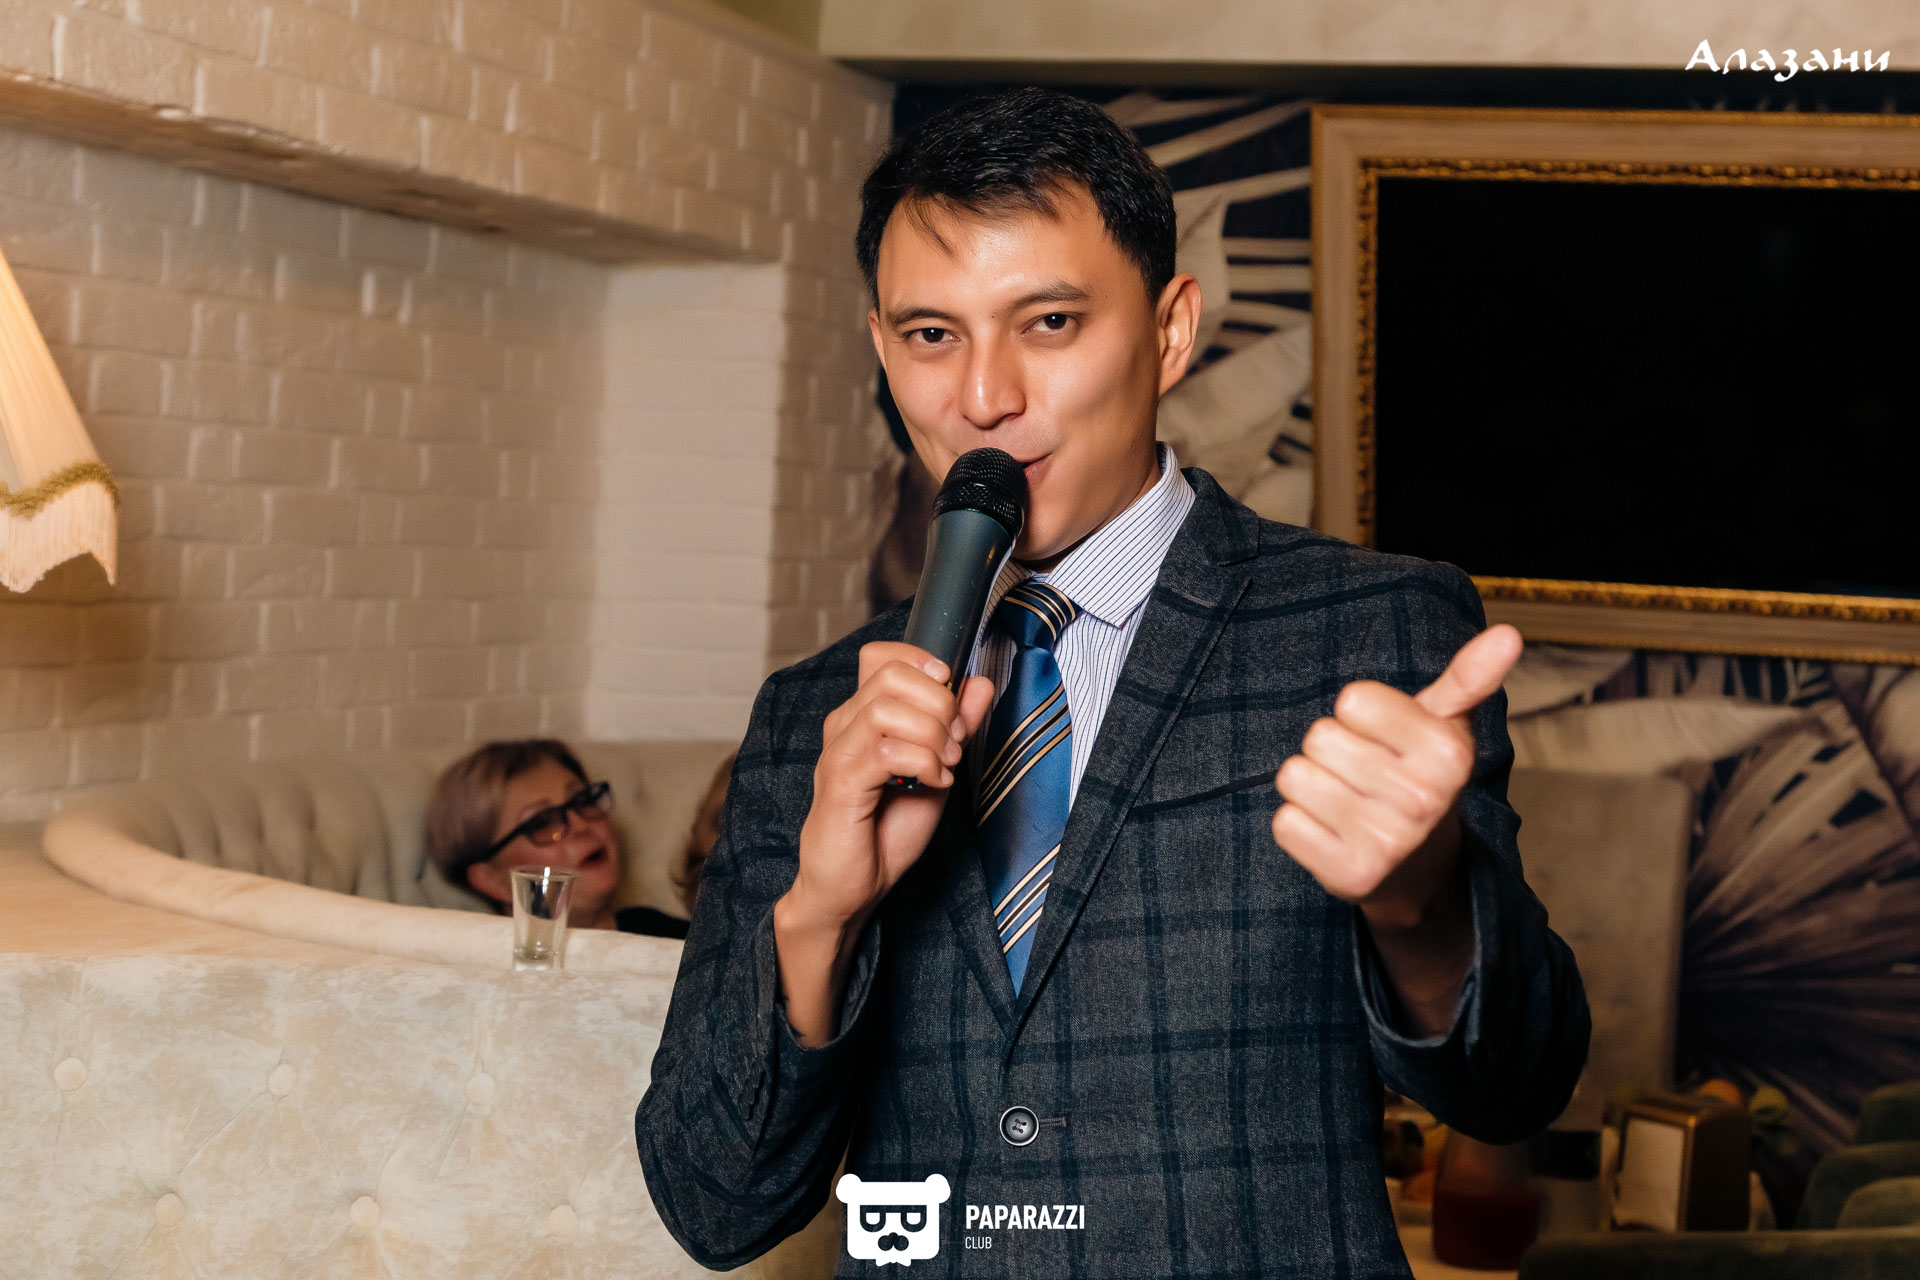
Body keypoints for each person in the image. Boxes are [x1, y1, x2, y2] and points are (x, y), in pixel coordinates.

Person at [635, 87, 1589, 1278]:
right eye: (932, 335)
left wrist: (1423, 900)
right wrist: (820, 914)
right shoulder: (812, 715)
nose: (984, 396)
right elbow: (713, 1202)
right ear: (883, 348)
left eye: (1048, 321)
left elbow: (1517, 1086)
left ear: (1171, 329)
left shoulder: (1370, 629)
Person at [424, 738, 707, 938]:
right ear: (492, 880)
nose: (582, 824)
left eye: (583, 800)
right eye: (542, 822)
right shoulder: (481, 975)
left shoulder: (680, 941)